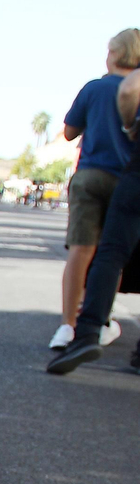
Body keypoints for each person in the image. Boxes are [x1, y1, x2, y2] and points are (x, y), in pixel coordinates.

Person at [48, 29, 140, 350]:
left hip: (90, 175)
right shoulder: (137, 91)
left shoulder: (95, 88)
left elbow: (70, 132)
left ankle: (67, 326)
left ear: (113, 54)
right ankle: (99, 319)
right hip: (127, 179)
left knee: (80, 251)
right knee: (110, 255)